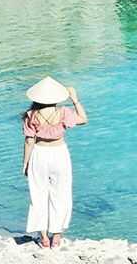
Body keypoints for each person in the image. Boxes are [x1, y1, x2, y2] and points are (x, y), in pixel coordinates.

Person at [22, 75, 88, 248]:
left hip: (39, 154)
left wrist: (26, 163)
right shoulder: (63, 113)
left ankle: (43, 237)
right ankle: (56, 236)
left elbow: (29, 141)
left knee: (38, 195)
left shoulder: (31, 115)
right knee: (61, 193)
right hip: (59, 154)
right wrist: (75, 100)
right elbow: (83, 119)